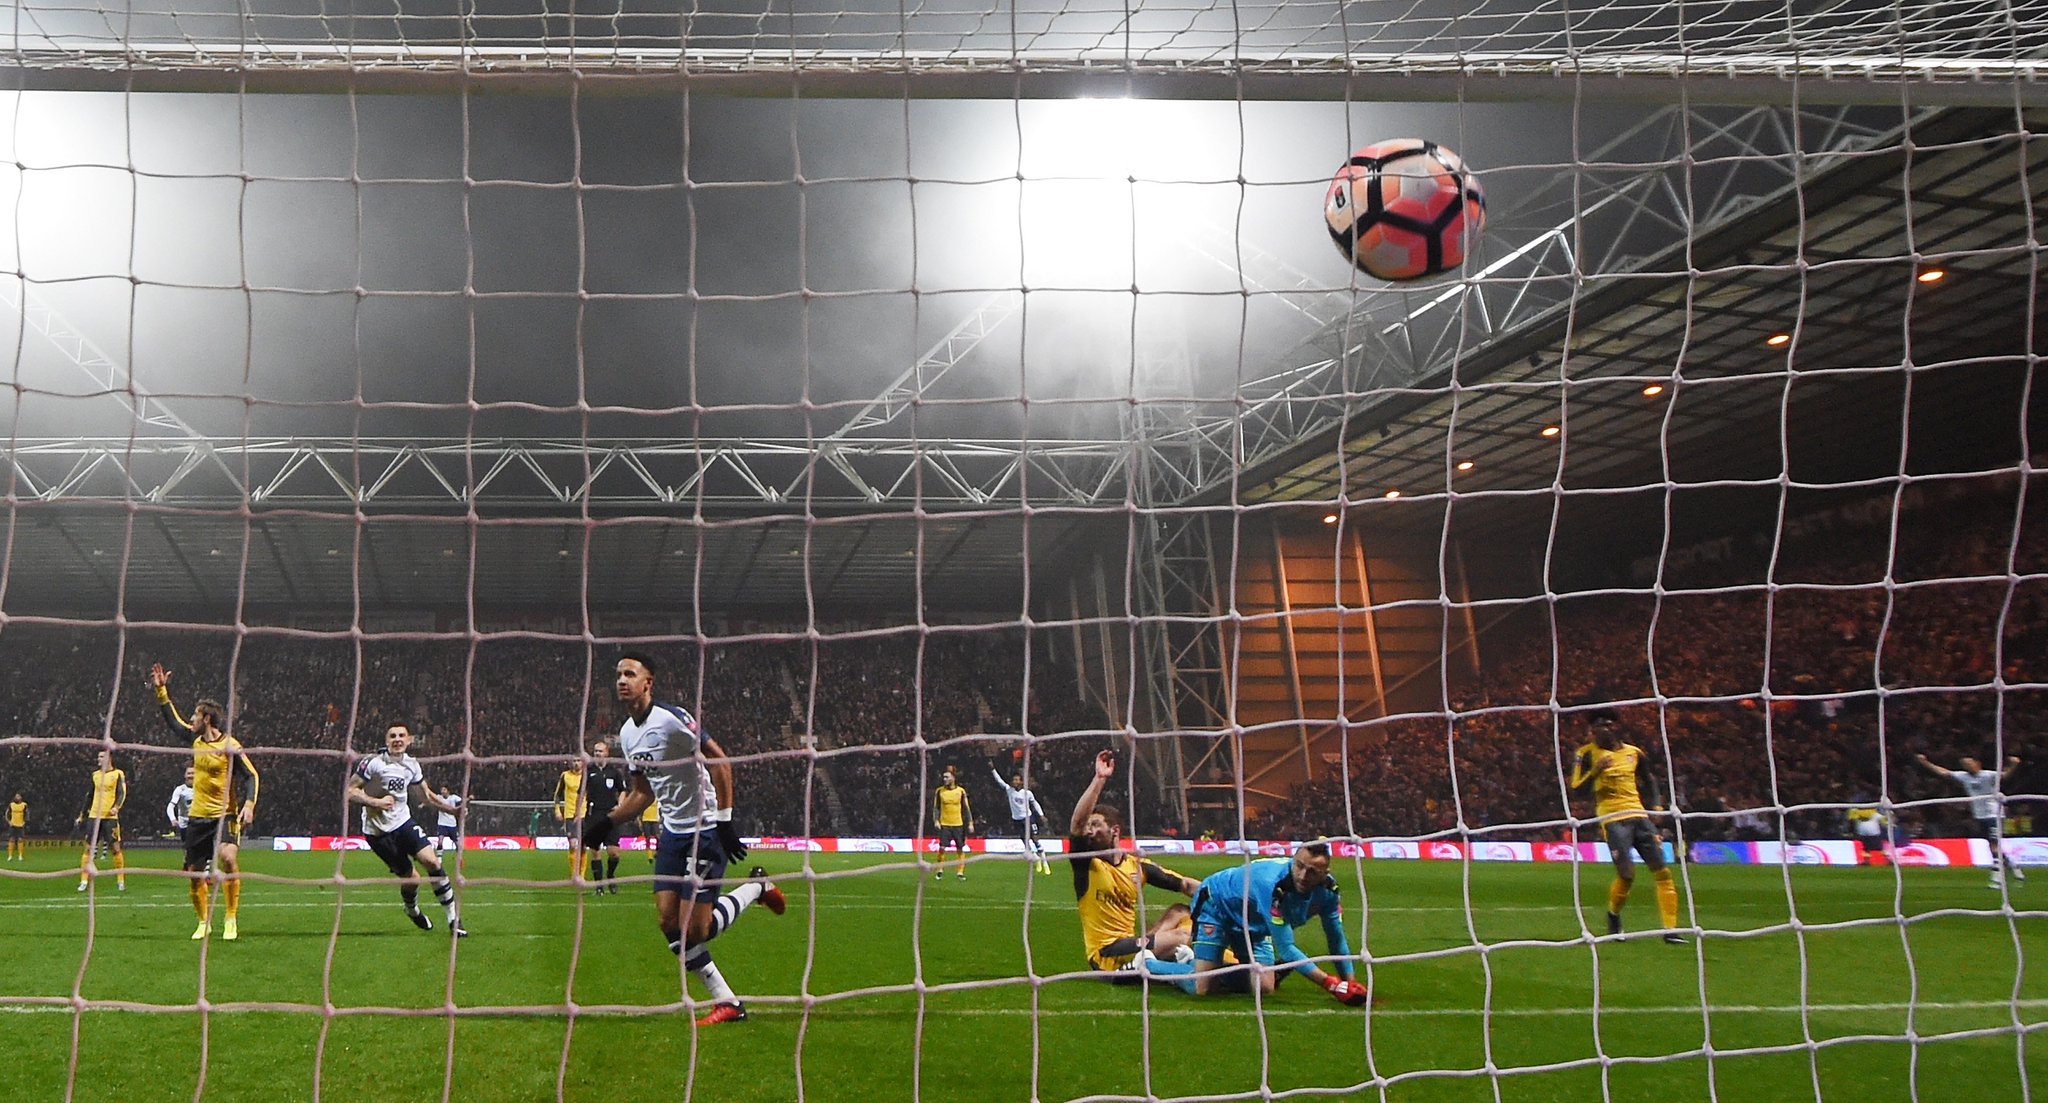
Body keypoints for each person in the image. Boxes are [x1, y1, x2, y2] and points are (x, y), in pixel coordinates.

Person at [579, 652, 785, 1027]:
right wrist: (606, 822)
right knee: (667, 922)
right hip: (672, 833)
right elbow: (643, 793)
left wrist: (724, 822)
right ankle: (728, 1002)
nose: (622, 680)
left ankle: (757, 887)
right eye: (618, 674)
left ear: (648, 683)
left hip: (704, 829)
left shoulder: (672, 719)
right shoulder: (627, 734)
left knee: (698, 930)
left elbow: (720, 761)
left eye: (630, 674)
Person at [1068, 749, 1200, 990]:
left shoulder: (1137, 866)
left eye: (1095, 825)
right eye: (1089, 826)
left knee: (1182, 911)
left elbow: (1185, 884)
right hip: (1106, 952)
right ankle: (1164, 961)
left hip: (1131, 944)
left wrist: (1222, 897)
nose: (1089, 831)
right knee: (1181, 937)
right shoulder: (1087, 864)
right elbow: (1077, 825)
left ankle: (1150, 961)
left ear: (1115, 831)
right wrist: (1099, 779)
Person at [152, 662, 260, 941]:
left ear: (207, 719)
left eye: (196, 715)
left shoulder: (230, 746)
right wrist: (162, 691)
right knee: (194, 873)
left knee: (228, 858)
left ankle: (231, 917)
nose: (192, 719)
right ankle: (203, 922)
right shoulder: (196, 740)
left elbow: (251, 776)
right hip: (198, 818)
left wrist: (249, 804)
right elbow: (173, 722)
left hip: (224, 815)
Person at [1188, 842, 1367, 1004]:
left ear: (1325, 874)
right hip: (1216, 905)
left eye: (1312, 872)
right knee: (1204, 989)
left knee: (1264, 989)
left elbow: (1336, 939)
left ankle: (1212, 967)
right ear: (1293, 861)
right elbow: (1286, 949)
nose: (1303, 876)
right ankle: (1176, 966)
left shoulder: (1329, 892)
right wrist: (1330, 984)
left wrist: (1349, 983)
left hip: (1254, 923)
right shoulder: (1273, 886)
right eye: (1299, 866)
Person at [1570, 710, 1683, 943]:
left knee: (1662, 871)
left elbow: (1649, 779)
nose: (1600, 732)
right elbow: (1576, 790)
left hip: (1639, 816)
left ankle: (1670, 931)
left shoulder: (1635, 753)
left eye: (1605, 726)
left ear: (1615, 727)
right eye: (1596, 728)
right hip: (1612, 819)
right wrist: (1595, 771)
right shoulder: (1586, 754)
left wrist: (1656, 805)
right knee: (1627, 875)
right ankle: (1613, 916)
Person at [347, 722, 466, 936]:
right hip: (378, 834)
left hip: (403, 824)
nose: (397, 739)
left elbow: (426, 796)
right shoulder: (372, 764)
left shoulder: (412, 765)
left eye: (402, 735)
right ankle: (412, 910)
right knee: (412, 880)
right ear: (386, 741)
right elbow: (349, 791)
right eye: (392, 736)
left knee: (432, 862)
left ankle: (453, 920)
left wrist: (452, 810)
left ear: (409, 740)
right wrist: (375, 802)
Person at [1917, 753, 2025, 887]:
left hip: (1994, 814)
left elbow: (2005, 775)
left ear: (1977, 763)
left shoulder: (1988, 775)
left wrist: (2014, 764)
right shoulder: (1964, 776)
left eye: (1969, 763)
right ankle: (2014, 867)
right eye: (1964, 765)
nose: (1967, 766)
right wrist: (1926, 763)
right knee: (1992, 846)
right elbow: (1944, 773)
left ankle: (1996, 879)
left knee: (1994, 845)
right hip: (1979, 816)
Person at [576, 739, 630, 894]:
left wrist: (619, 805)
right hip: (594, 814)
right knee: (595, 851)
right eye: (595, 751)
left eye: (600, 751)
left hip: (611, 816)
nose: (597, 753)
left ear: (607, 753)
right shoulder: (588, 771)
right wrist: (578, 812)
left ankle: (610, 875)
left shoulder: (614, 772)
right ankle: (599, 886)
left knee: (614, 853)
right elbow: (582, 793)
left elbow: (623, 790)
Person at [76, 749, 127, 892]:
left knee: (115, 849)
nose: (98, 759)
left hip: (110, 818)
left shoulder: (118, 774)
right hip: (94, 816)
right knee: (88, 849)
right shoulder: (95, 775)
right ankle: (84, 880)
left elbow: (122, 792)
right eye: (98, 756)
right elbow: (89, 796)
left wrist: (116, 807)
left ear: (109, 758)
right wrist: (82, 815)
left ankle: (120, 880)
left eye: (101, 756)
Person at [990, 765, 1052, 875]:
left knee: (1035, 839)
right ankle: (1036, 859)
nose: (1014, 781)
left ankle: (1045, 863)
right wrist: (993, 769)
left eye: (1017, 780)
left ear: (1021, 782)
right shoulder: (1009, 790)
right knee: (1026, 844)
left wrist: (1041, 815)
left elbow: (1035, 803)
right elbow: (999, 781)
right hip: (1017, 820)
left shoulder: (1027, 793)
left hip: (1028, 819)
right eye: (1013, 780)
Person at [931, 766, 974, 880]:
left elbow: (966, 808)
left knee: (960, 848)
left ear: (953, 778)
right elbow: (936, 807)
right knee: (942, 847)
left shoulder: (961, 791)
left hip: (958, 824)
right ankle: (939, 869)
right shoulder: (940, 791)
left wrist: (970, 822)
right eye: (944, 777)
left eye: (947, 777)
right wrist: (936, 820)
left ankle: (960, 872)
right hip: (945, 824)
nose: (944, 779)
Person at [554, 757, 586, 880]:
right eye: (574, 761)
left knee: (583, 846)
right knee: (573, 845)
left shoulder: (587, 776)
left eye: (578, 761)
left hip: (584, 814)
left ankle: (582, 874)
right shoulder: (565, 776)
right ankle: (574, 874)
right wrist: (557, 810)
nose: (576, 763)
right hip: (570, 814)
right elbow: (557, 795)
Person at [434, 785, 463, 857]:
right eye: (442, 790)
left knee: (456, 842)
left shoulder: (453, 798)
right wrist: (423, 804)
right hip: (442, 823)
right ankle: (439, 859)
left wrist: (468, 799)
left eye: (444, 790)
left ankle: (459, 857)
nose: (442, 791)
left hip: (451, 824)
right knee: (440, 841)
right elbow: (430, 799)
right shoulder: (439, 797)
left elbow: (462, 802)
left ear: (448, 791)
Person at [167, 767, 196, 834]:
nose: (191, 776)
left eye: (193, 773)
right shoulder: (180, 789)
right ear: (185, 775)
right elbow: (170, 806)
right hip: (184, 825)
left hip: (198, 824)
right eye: (189, 773)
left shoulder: (201, 789)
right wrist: (173, 819)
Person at [7, 791, 27, 861]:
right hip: (13, 825)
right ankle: (10, 856)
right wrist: (9, 822)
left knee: (20, 840)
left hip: (20, 825)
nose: (17, 797)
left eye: (18, 796)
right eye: (16, 796)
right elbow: (7, 814)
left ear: (21, 798)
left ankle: (20, 856)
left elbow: (27, 814)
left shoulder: (24, 805)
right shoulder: (11, 805)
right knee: (11, 839)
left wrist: (24, 822)